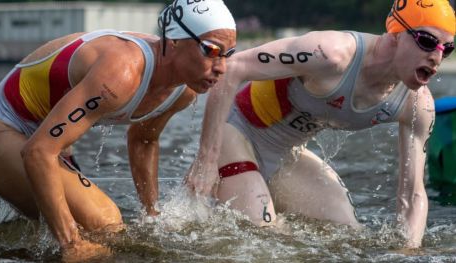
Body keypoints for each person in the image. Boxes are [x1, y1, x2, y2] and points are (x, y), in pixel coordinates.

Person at [187, 0, 455, 249]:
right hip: (236, 133)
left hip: (286, 155)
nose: (436, 56)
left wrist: (408, 251)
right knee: (265, 238)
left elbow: (412, 196)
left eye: (448, 48)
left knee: (349, 234)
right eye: (427, 41)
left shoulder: (417, 105)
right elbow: (232, 68)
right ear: (396, 33)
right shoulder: (332, 54)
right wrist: (206, 160)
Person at [0, 0, 236, 261]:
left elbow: (144, 141)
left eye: (228, 55)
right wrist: (72, 245)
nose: (221, 68)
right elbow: (38, 152)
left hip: (46, 140)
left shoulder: (183, 91)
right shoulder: (122, 73)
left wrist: (151, 215)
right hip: (1, 128)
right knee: (104, 222)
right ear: (174, 40)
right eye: (211, 50)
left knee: (93, 232)